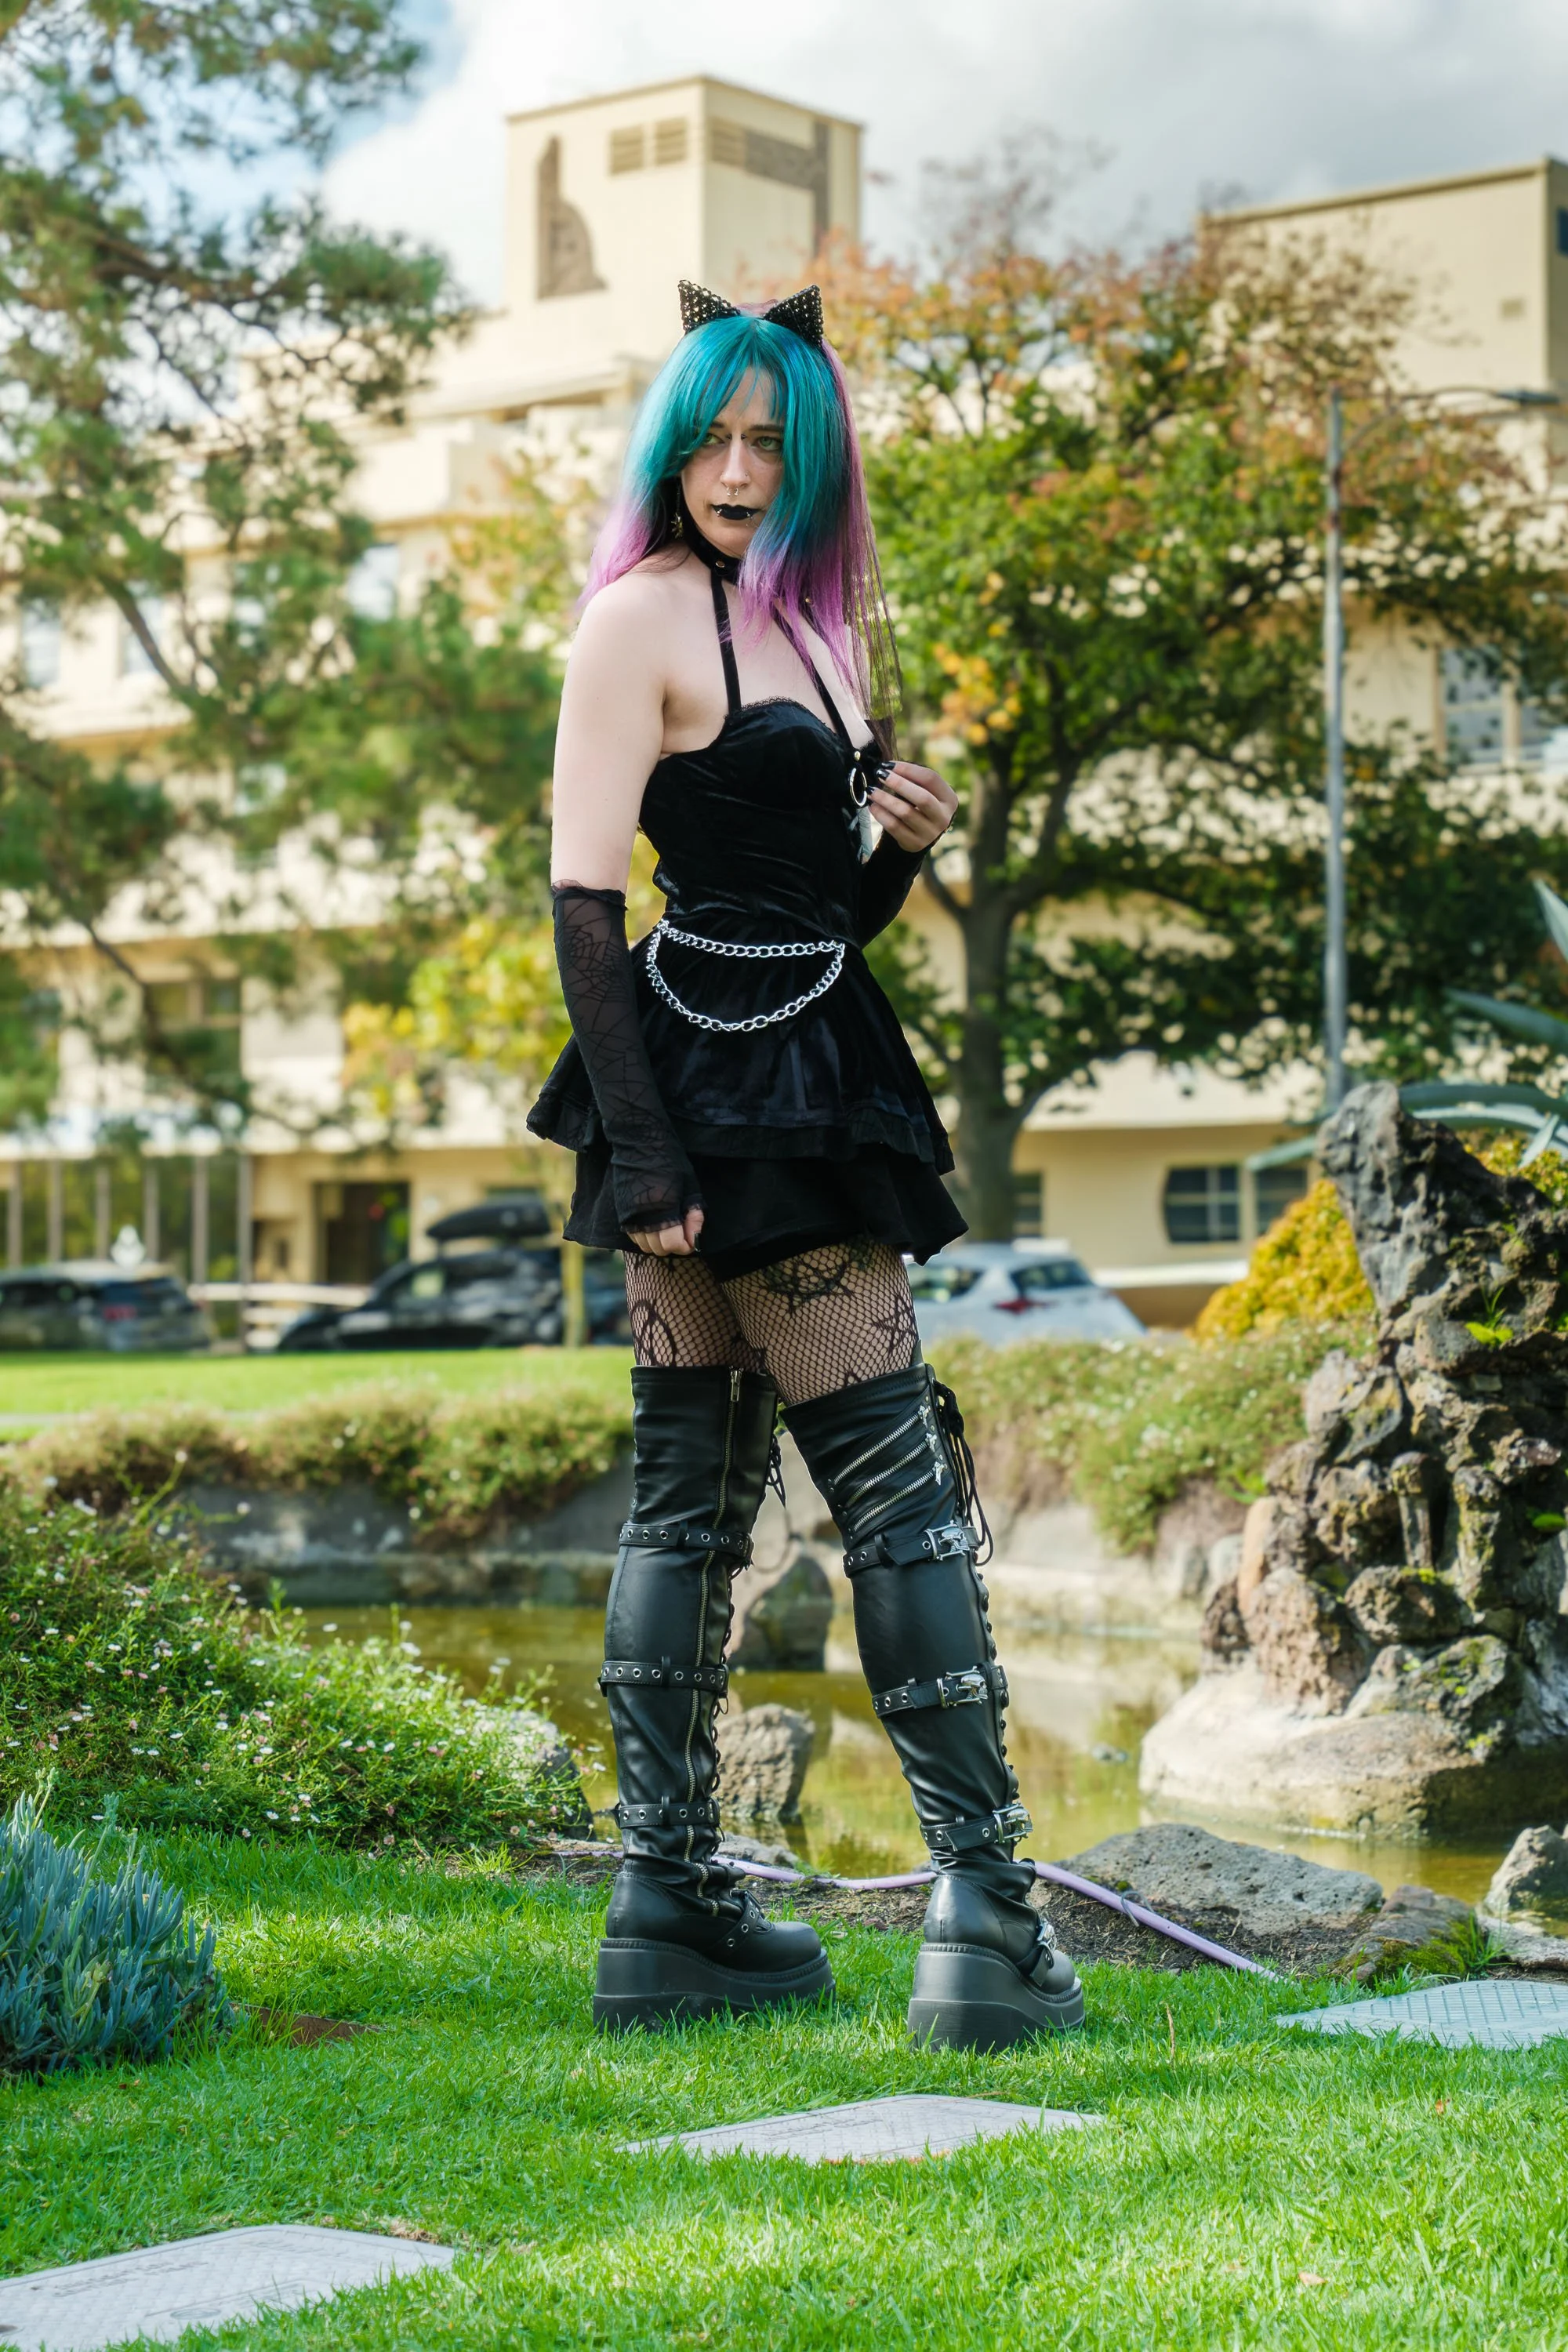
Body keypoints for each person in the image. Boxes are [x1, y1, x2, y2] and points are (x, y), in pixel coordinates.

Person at [528, 279, 1083, 2049]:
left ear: (815, 452)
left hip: (795, 1059)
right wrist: (640, 1155)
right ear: (669, 444)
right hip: (700, 1090)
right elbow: (584, 901)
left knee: (700, 1493)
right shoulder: (633, 618)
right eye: (713, 432)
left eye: (774, 436)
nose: (741, 464)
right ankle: (979, 1917)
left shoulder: (821, 626)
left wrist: (900, 854)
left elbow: (809, 924)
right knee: (876, 1484)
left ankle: (673, 1910)